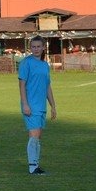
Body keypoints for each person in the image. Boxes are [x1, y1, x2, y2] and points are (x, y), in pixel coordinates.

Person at [18, 35, 57, 175]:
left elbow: (47, 87)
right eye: (33, 47)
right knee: (34, 135)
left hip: (41, 106)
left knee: (38, 136)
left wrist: (53, 106)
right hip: (31, 105)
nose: (36, 49)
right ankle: (32, 167)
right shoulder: (25, 63)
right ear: (30, 48)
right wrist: (25, 104)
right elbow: (21, 85)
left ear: (43, 47)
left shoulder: (45, 65)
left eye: (38, 46)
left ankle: (36, 164)